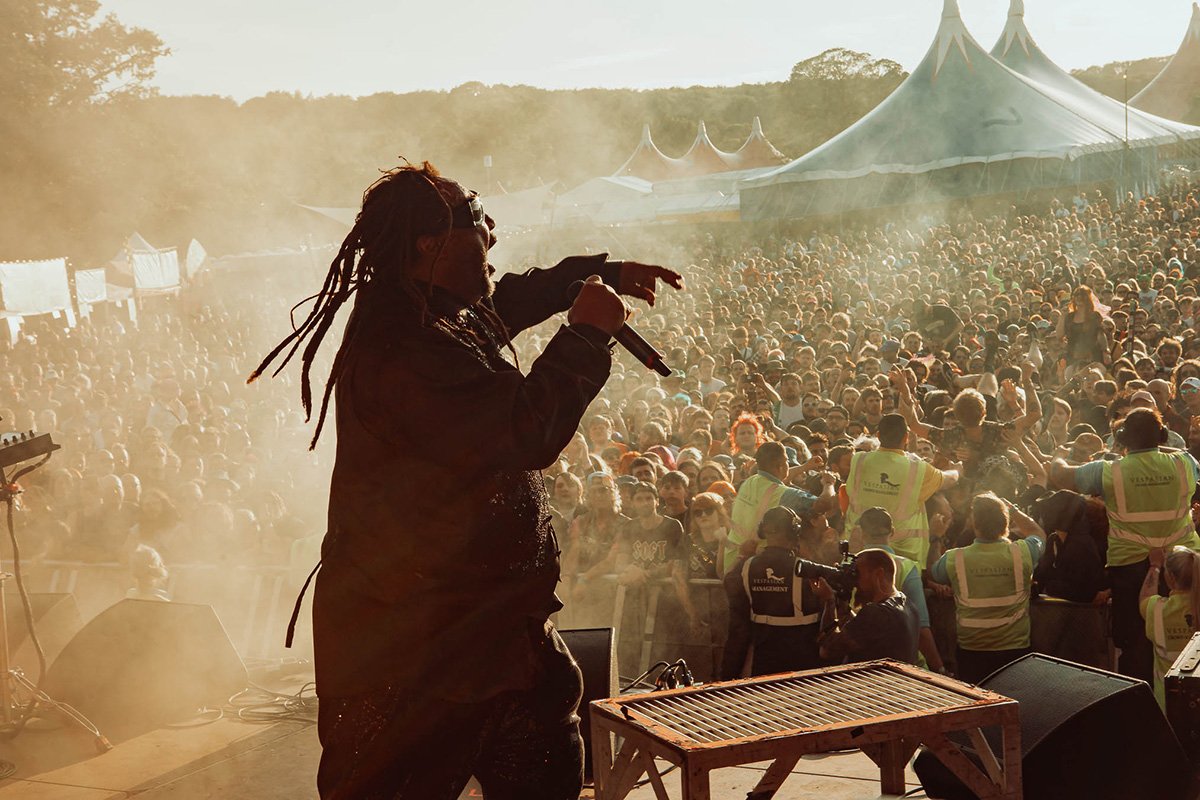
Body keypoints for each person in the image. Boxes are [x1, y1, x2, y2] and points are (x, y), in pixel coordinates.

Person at [251, 162, 681, 800]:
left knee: (545, 765)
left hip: (495, 633)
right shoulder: (405, 347)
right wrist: (587, 336)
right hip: (412, 652)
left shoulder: (432, 311)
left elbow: (501, 304)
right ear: (431, 244)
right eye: (478, 218)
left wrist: (592, 277)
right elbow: (525, 430)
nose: (493, 229)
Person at [1050, 407, 1200, 681]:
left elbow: (1060, 476)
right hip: (1186, 564)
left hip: (1131, 568)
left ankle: (1140, 694)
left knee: (1134, 642)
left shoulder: (1109, 471)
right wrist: (1155, 447)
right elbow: (1185, 457)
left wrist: (1059, 454)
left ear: (1122, 438)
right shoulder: (1183, 463)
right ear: (1162, 436)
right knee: (1190, 639)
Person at [931, 492, 1045, 683]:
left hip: (972, 651)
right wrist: (1014, 510)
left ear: (975, 524)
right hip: (1015, 649)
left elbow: (933, 571)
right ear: (1005, 522)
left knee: (976, 699)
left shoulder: (956, 558)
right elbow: (1038, 534)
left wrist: (935, 537)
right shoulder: (1023, 552)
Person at [842, 413, 959, 569]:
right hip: (903, 561)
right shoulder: (918, 469)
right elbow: (948, 480)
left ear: (878, 436)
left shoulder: (858, 460)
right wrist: (957, 470)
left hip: (858, 552)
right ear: (906, 438)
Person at [725, 506, 823, 676]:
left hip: (764, 662)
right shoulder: (806, 568)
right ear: (794, 532)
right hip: (803, 663)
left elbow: (738, 627)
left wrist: (728, 674)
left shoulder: (745, 567)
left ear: (763, 531)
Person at [855, 507, 945, 672]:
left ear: (862, 533)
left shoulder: (847, 566)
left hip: (859, 662)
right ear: (892, 532)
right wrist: (939, 668)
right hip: (903, 664)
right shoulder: (907, 567)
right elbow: (921, 628)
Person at [725, 441, 836, 574]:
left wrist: (804, 467)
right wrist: (829, 483)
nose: (788, 465)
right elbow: (824, 504)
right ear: (781, 466)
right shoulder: (784, 494)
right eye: (787, 461)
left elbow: (776, 479)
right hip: (756, 567)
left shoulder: (750, 481)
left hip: (732, 561)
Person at [817, 548, 920, 665]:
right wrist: (843, 604)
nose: (855, 582)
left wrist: (829, 601)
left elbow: (826, 650)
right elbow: (862, 629)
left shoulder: (876, 613)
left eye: (857, 574)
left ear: (878, 574)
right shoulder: (907, 604)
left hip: (871, 677)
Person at [1140, 546, 1200, 707]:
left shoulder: (1157, 610)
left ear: (1171, 578)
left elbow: (1145, 597)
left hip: (1168, 707)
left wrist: (1155, 566)